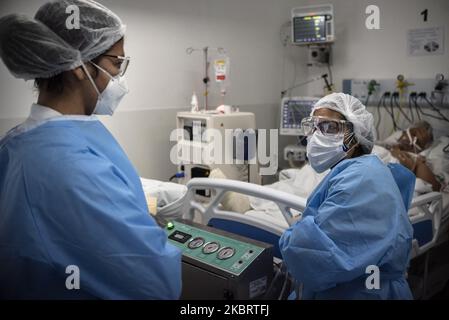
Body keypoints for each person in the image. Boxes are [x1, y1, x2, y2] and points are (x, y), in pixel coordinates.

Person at [0, 0, 181, 299]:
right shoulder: (70, 163)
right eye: (116, 63)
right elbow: (153, 285)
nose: (119, 79)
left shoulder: (15, 145)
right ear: (79, 67)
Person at [279, 93, 415, 299]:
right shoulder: (350, 171)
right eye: (313, 127)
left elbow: (310, 256)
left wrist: (296, 230)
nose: (316, 136)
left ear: (355, 132)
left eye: (329, 127)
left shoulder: (360, 178)